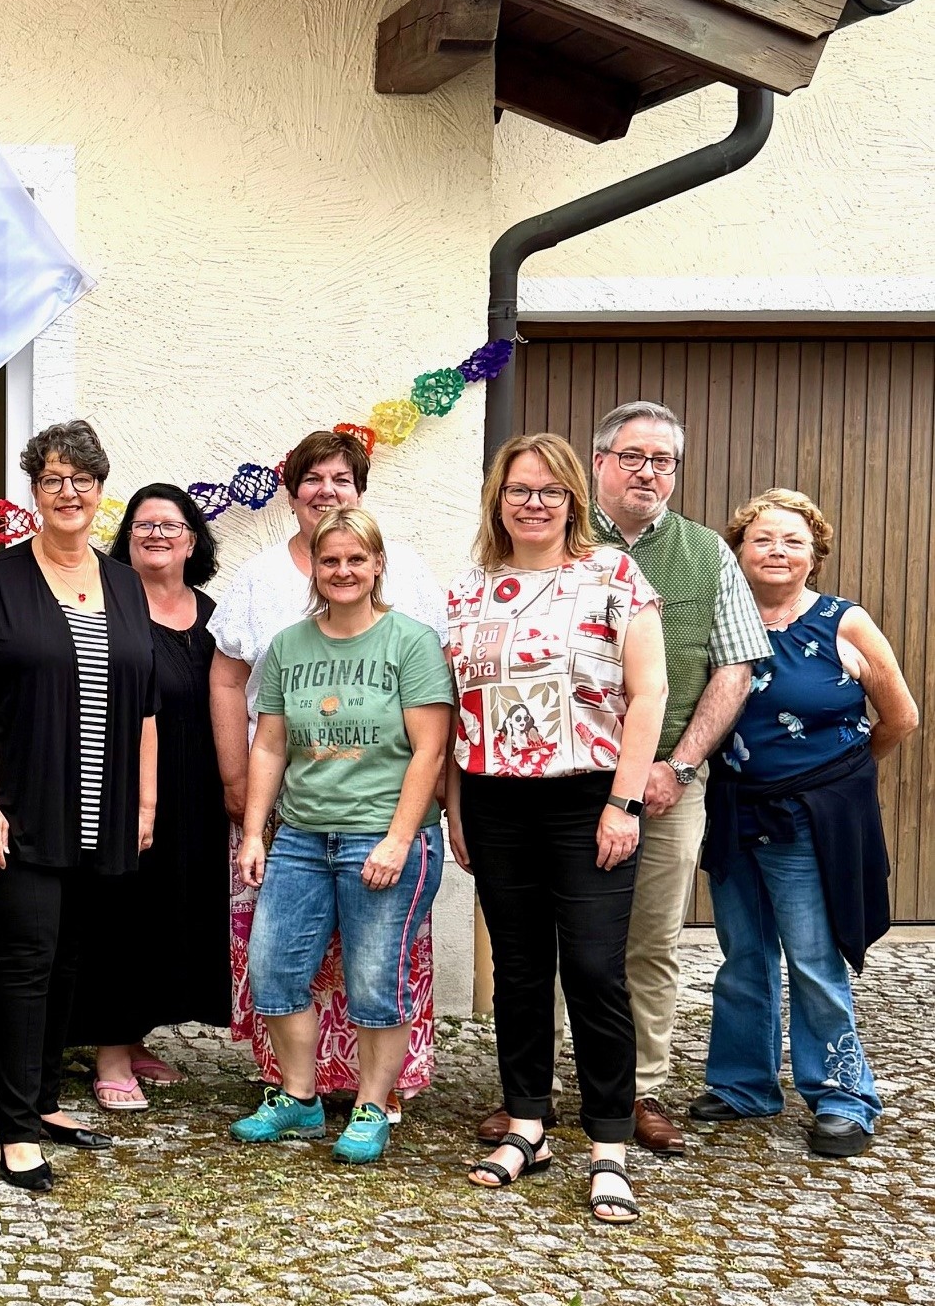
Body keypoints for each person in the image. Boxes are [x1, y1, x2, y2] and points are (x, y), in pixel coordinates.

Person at [475, 402, 767, 1156]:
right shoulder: (539, 550)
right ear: (597, 463)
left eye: (663, 460)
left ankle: (636, 1091)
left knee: (641, 944)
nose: (648, 472)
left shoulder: (705, 552)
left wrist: (676, 766)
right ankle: (537, 1098)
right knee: (548, 952)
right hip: (552, 786)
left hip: (666, 775)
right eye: (633, 456)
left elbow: (733, 667)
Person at [445, 433, 666, 1225]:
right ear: (497, 497)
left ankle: (608, 1143)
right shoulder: (471, 589)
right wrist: (455, 806)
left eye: (549, 490)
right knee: (521, 968)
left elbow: (649, 695)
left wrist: (625, 802)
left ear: (574, 499)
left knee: (598, 972)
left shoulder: (612, 575)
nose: (532, 502)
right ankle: (528, 1124)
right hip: (496, 801)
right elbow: (454, 709)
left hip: (588, 800)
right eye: (518, 489)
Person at [0, 420, 158, 1193]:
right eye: (53, 479)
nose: (68, 492)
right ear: (34, 492)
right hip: (22, 806)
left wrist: (145, 799)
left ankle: (50, 1099)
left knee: (73, 956)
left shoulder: (124, 582)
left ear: (101, 491)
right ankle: (16, 1127)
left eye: (82, 479)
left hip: (105, 810)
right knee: (29, 957)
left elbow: (147, 705)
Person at [208, 429, 446, 1116]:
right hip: (290, 813)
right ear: (292, 494)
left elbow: (432, 731)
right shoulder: (265, 591)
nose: (326, 490)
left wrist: (413, 827)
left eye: (340, 478)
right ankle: (295, 1085)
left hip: (382, 817)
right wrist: (243, 794)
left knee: (377, 963)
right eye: (312, 478)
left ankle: (378, 1096)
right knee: (278, 958)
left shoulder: (409, 609)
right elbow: (245, 703)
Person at [693, 488, 918, 1156]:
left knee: (814, 959)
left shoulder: (843, 622)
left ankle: (844, 1096)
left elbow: (900, 715)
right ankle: (744, 1084)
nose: (777, 551)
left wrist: (841, 778)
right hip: (733, 810)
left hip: (807, 819)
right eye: (762, 539)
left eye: (792, 540)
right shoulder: (719, 620)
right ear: (738, 551)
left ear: (814, 555)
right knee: (743, 955)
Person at [67, 484, 230, 1111]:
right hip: (123, 785)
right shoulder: (107, 604)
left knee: (170, 914)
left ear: (192, 539)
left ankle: (134, 1037)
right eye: (143, 525)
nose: (156, 534)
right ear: (126, 538)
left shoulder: (213, 611)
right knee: (118, 916)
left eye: (171, 525)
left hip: (199, 791)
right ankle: (108, 1052)